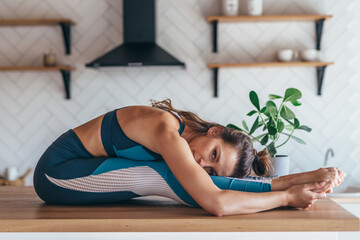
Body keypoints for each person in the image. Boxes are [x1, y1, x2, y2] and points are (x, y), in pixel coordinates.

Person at [33, 99, 345, 216]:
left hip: (81, 172)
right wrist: (286, 197)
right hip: (57, 174)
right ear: (215, 131)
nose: (201, 164)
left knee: (178, 178)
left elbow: (212, 190)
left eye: (210, 168)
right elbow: (217, 203)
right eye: (213, 153)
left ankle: (286, 182)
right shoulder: (166, 130)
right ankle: (285, 184)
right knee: (162, 176)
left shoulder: (181, 140)